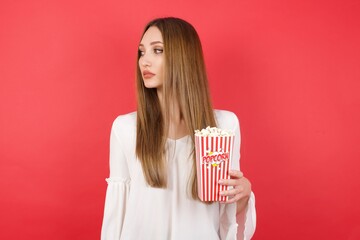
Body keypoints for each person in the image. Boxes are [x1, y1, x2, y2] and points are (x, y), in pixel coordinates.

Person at [101, 17, 256, 240]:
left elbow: (227, 216)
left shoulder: (224, 126)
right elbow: (116, 217)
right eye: (141, 52)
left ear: (183, 56)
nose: (144, 61)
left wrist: (243, 193)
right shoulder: (125, 129)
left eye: (157, 51)